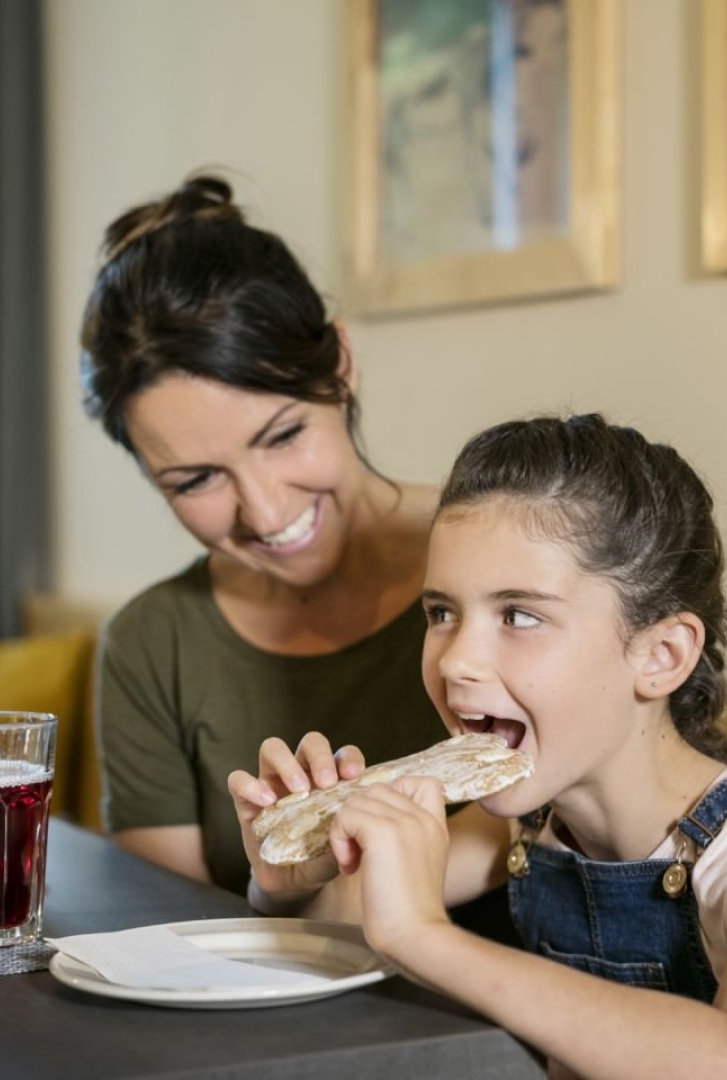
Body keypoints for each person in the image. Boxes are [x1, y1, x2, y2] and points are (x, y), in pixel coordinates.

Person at [232, 414, 727, 1078]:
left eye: (519, 615)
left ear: (661, 654)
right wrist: (288, 883)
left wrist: (427, 938)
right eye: (441, 612)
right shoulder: (526, 821)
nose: (455, 662)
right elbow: (344, 927)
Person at [78, 173, 447, 895]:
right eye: (195, 481)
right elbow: (172, 948)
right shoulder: (154, 644)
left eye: (282, 436)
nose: (267, 512)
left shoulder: (513, 562)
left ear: (340, 363)